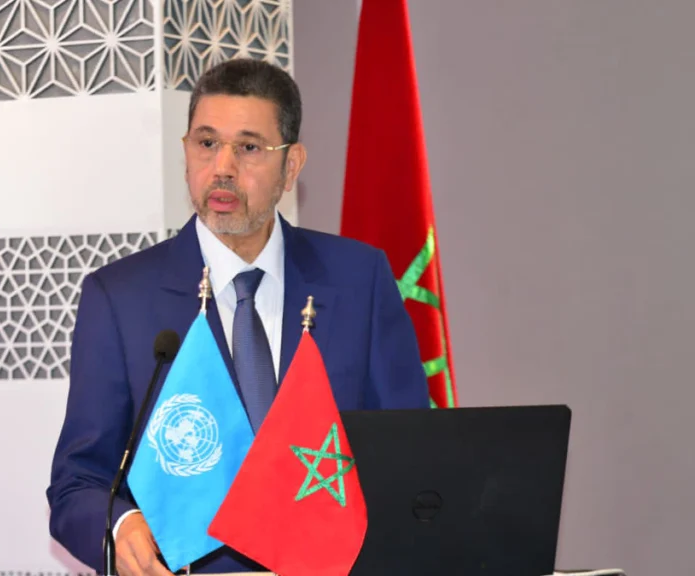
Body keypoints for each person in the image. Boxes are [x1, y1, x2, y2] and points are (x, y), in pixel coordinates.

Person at [46, 58, 430, 575]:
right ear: (185, 152)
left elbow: (411, 459)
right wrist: (119, 525)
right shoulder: (120, 298)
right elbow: (77, 482)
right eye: (206, 143)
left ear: (291, 166)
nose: (222, 167)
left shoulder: (360, 281)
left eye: (248, 148)